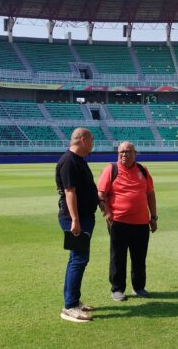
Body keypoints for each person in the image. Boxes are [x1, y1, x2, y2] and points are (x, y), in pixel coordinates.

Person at [55, 127, 105, 323]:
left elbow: (87, 189)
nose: (93, 143)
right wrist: (75, 220)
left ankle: (73, 300)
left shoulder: (78, 161)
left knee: (77, 259)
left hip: (83, 217)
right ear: (83, 139)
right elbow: (70, 192)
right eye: (91, 139)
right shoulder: (69, 161)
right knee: (78, 259)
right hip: (75, 219)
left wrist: (100, 203)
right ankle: (69, 307)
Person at [98, 141, 158, 301]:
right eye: (121, 152)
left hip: (141, 223)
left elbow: (150, 194)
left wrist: (153, 217)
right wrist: (107, 213)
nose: (124, 155)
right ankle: (117, 289)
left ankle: (139, 287)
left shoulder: (143, 170)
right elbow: (100, 195)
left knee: (139, 257)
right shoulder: (111, 169)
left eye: (127, 152)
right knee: (118, 257)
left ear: (135, 153)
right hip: (118, 222)